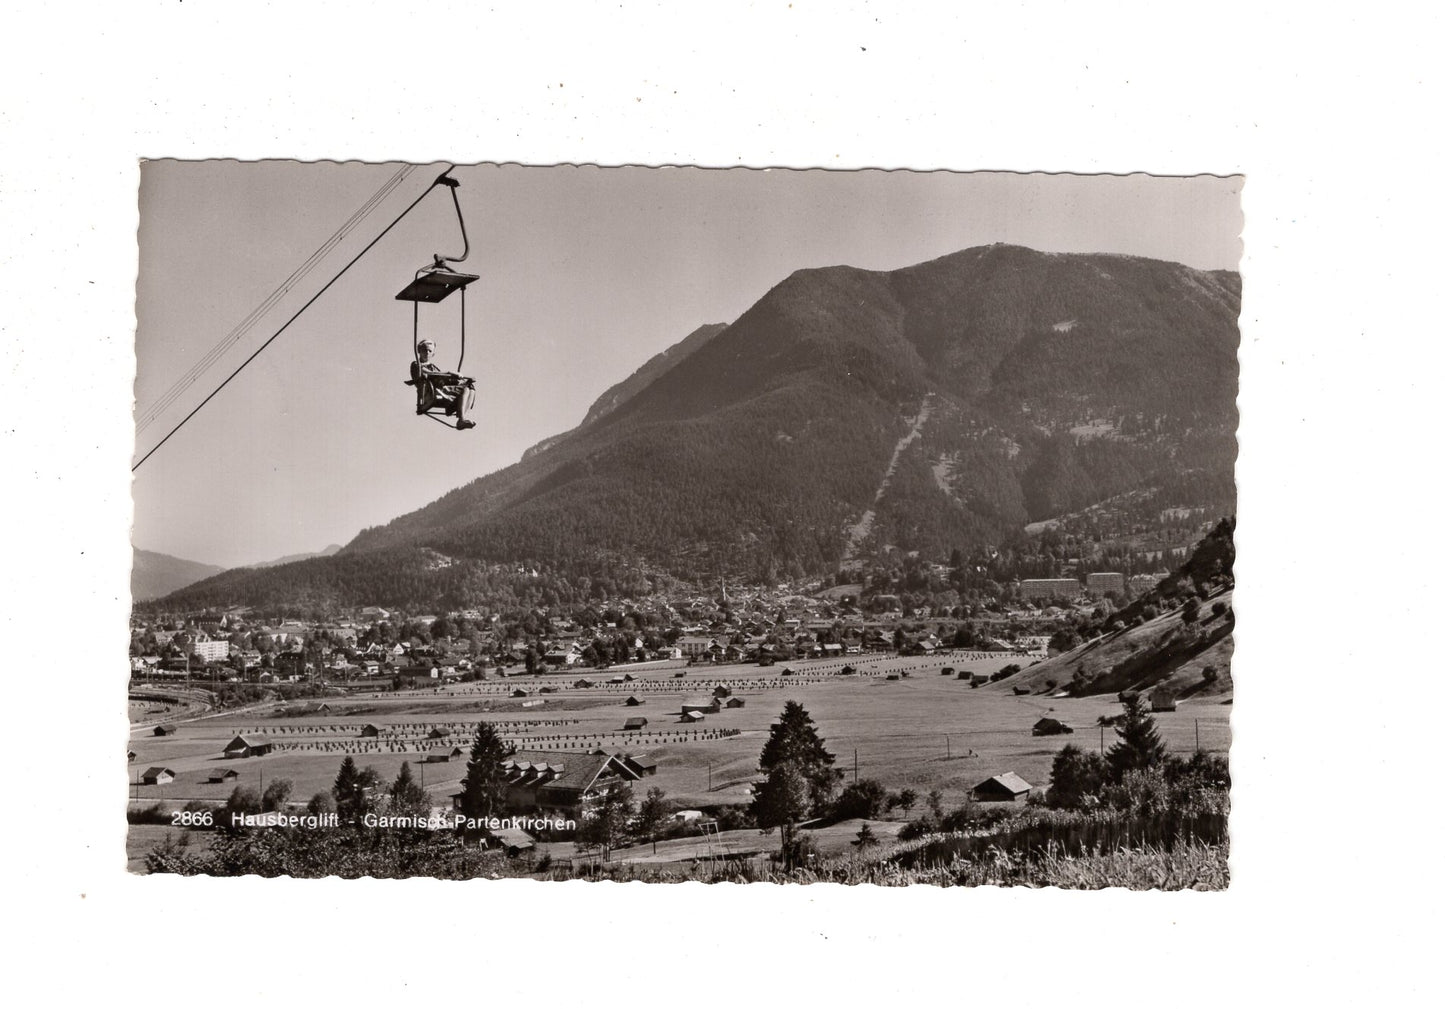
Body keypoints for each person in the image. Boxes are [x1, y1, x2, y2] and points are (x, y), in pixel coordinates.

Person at [410, 339, 476, 429]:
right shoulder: (416, 365)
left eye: (430, 351)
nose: (427, 353)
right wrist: (450, 373)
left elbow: (443, 379)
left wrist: (459, 380)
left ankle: (461, 415)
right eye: (424, 350)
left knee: (470, 388)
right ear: (419, 351)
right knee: (464, 389)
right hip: (431, 392)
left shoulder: (433, 367)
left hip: (442, 390)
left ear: (433, 354)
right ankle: (461, 419)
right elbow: (429, 373)